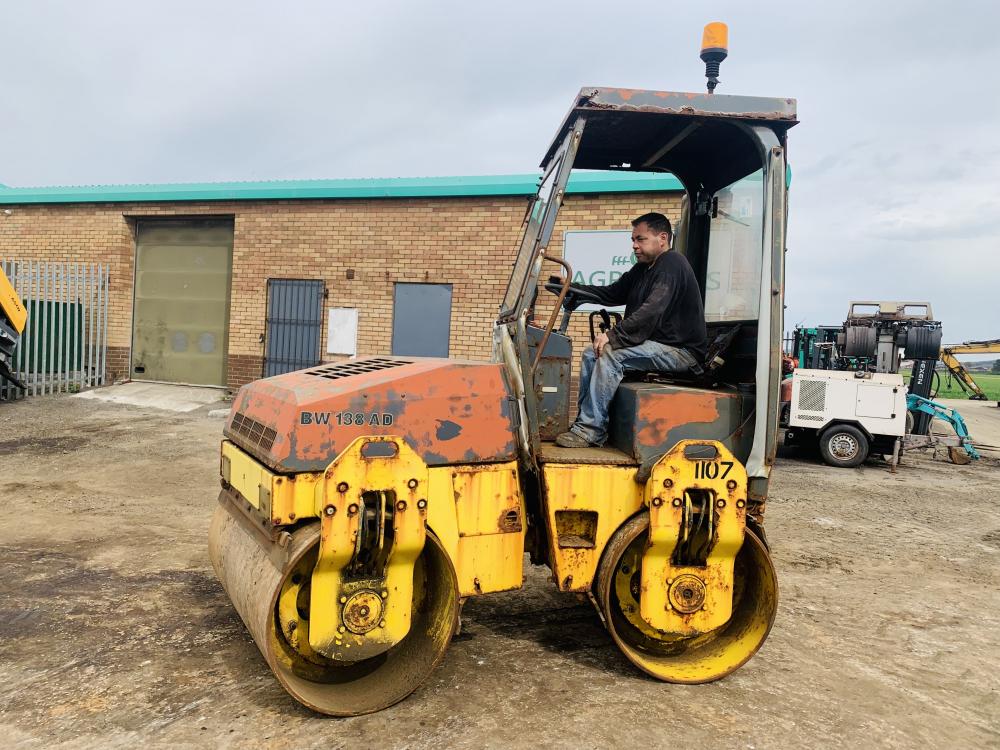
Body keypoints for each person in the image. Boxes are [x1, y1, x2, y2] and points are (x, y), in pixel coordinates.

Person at [555, 212, 707, 448]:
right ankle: (584, 424)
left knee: (611, 354)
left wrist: (613, 336)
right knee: (590, 353)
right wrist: (569, 287)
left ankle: (590, 430)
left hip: (681, 351)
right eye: (633, 240)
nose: (634, 246)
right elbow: (611, 293)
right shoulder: (642, 270)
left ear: (662, 238)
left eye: (641, 239)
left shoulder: (672, 264)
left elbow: (651, 309)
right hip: (657, 346)